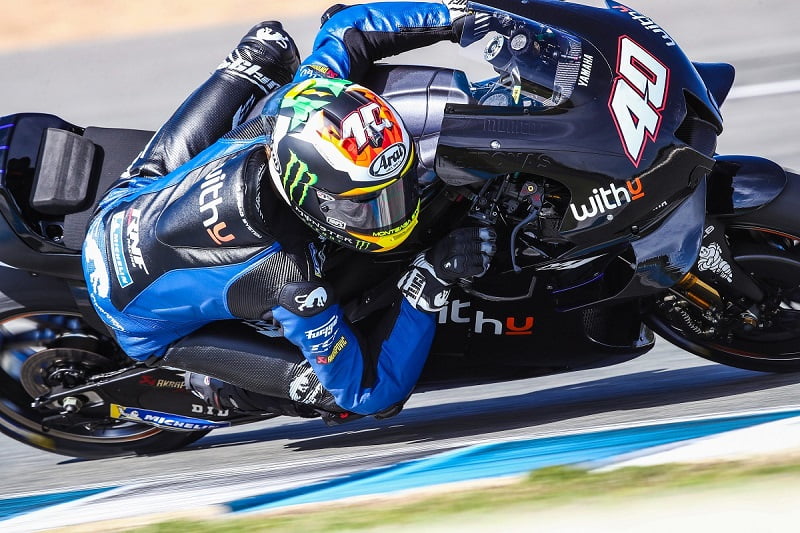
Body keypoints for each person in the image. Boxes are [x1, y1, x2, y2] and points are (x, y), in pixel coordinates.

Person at [81, 1, 496, 423]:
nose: (395, 212)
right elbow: (365, 389)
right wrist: (429, 280)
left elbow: (348, 28)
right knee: (339, 396)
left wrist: (462, 16)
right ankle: (222, 390)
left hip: (126, 204)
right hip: (135, 318)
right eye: (365, 204)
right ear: (309, 197)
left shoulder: (294, 107)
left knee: (269, 44)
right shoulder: (290, 280)